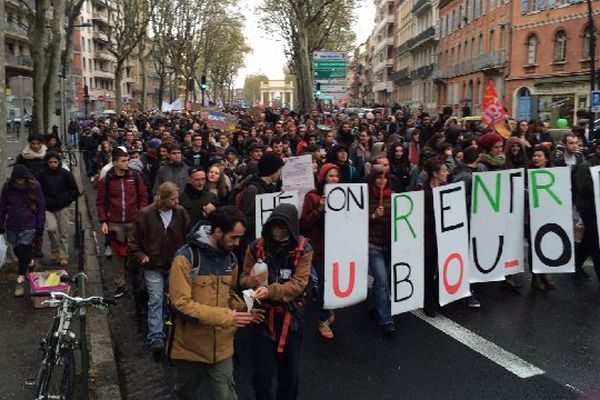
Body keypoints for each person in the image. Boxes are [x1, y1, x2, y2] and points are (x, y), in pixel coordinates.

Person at [168, 206, 262, 400]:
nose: (237, 243)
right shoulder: (185, 259)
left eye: (239, 238)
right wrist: (229, 316)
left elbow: (228, 296)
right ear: (218, 232)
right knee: (187, 393)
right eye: (233, 238)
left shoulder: (232, 261)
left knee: (226, 395)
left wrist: (246, 306)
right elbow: (181, 304)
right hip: (189, 348)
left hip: (222, 347)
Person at [241, 204, 313, 400]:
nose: (278, 230)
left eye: (283, 226)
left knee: (289, 374)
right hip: (263, 318)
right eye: (274, 225)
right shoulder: (255, 247)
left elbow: (298, 284)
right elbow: (243, 279)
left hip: (292, 320)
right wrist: (252, 282)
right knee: (262, 374)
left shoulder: (303, 249)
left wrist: (270, 290)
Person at [129, 182, 190, 353]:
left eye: (177, 198)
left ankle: (176, 332)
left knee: (176, 298)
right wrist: (141, 256)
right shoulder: (145, 214)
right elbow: (133, 240)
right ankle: (156, 335)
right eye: (173, 199)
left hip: (175, 264)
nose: (176, 202)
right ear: (162, 199)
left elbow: (188, 236)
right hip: (153, 265)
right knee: (156, 299)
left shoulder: (181, 213)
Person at [96, 147, 149, 298]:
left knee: (135, 250)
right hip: (115, 222)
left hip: (134, 221)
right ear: (115, 163)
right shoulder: (106, 180)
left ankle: (136, 279)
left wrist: (141, 213)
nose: (127, 163)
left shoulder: (135, 176)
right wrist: (103, 221)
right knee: (118, 255)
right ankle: (120, 284)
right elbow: (100, 202)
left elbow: (143, 196)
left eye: (127, 160)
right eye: (123, 161)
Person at [300, 163, 339, 339]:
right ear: (323, 178)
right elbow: (304, 224)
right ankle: (322, 320)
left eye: (336, 176)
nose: (334, 179)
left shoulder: (341, 195)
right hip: (318, 249)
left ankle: (327, 308)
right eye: (330, 176)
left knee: (330, 283)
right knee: (322, 284)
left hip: (335, 247)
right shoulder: (312, 197)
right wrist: (320, 208)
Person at [0, 165, 45, 297]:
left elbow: (41, 207)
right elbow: (2, 206)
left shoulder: (34, 187)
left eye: (22, 179)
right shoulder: (8, 188)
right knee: (16, 249)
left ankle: (20, 278)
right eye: (17, 179)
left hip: (29, 224)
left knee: (24, 248)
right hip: (12, 224)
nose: (20, 181)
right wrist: (1, 222)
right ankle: (29, 261)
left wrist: (40, 226)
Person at [367, 165, 396, 333]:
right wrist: (373, 216)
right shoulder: (366, 197)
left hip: (390, 245)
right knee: (383, 281)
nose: (382, 181)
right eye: (378, 177)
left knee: (382, 281)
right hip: (373, 247)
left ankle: (374, 306)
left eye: (384, 178)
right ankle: (386, 320)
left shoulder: (392, 196)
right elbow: (358, 220)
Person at [38, 151, 80, 267]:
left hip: (62, 205)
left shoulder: (65, 174)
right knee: (51, 229)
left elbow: (74, 190)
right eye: (50, 162)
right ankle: (54, 248)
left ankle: (63, 255)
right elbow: (38, 190)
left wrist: (65, 199)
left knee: (63, 231)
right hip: (48, 206)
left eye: (55, 162)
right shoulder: (42, 175)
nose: (53, 164)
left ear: (59, 162)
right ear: (47, 162)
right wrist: (44, 201)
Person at [422, 157, 449, 317]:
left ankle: (438, 298)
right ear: (435, 173)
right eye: (444, 171)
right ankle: (427, 302)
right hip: (429, 238)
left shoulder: (447, 189)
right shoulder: (423, 192)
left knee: (442, 268)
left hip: (444, 236)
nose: (447, 173)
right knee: (428, 270)